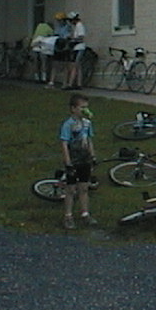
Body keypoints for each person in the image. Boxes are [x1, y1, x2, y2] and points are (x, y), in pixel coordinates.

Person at [58, 93, 97, 228]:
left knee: (84, 187)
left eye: (86, 107)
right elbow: (64, 143)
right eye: (82, 108)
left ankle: (85, 213)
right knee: (70, 189)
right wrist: (68, 162)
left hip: (84, 159)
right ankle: (68, 216)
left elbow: (89, 139)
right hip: (73, 159)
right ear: (73, 109)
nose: (85, 110)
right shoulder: (68, 125)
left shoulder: (87, 123)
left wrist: (92, 156)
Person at [46, 12, 72, 89]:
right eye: (58, 20)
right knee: (55, 64)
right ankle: (51, 82)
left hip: (64, 47)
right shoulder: (58, 27)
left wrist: (63, 39)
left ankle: (64, 83)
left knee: (65, 66)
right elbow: (55, 34)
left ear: (64, 20)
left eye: (60, 20)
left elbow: (68, 37)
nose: (59, 22)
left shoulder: (68, 27)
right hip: (57, 46)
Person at [64, 12, 86, 90]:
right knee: (78, 66)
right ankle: (79, 84)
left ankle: (70, 84)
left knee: (74, 66)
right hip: (76, 47)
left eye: (70, 20)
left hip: (79, 47)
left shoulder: (79, 25)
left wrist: (72, 39)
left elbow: (81, 37)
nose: (70, 22)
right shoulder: (77, 26)